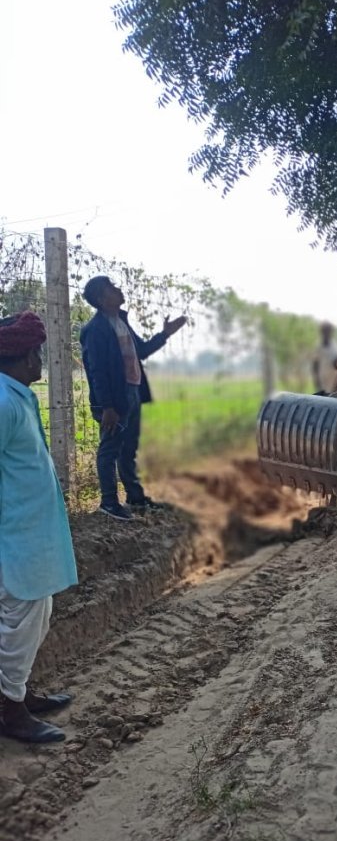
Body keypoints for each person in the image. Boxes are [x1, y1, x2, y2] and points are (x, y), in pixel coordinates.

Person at [0, 312, 78, 743]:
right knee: (19, 620)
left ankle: (18, 694)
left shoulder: (16, 396)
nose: (39, 362)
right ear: (22, 355)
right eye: (37, 354)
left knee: (34, 615)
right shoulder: (4, 402)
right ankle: (10, 712)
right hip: (14, 537)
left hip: (29, 534)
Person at [80, 276, 187, 520]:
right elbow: (97, 371)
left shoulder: (121, 322)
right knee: (110, 448)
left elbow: (142, 351)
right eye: (112, 288)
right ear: (101, 298)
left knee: (129, 448)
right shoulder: (95, 330)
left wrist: (164, 334)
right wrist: (107, 406)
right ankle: (109, 502)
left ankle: (135, 498)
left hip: (133, 392)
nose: (119, 290)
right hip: (114, 399)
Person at [312, 321, 337, 394]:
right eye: (325, 331)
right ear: (322, 332)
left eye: (329, 331)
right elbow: (315, 365)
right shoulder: (318, 347)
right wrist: (317, 382)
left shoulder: (334, 345)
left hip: (333, 380)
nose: (327, 333)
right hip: (323, 381)